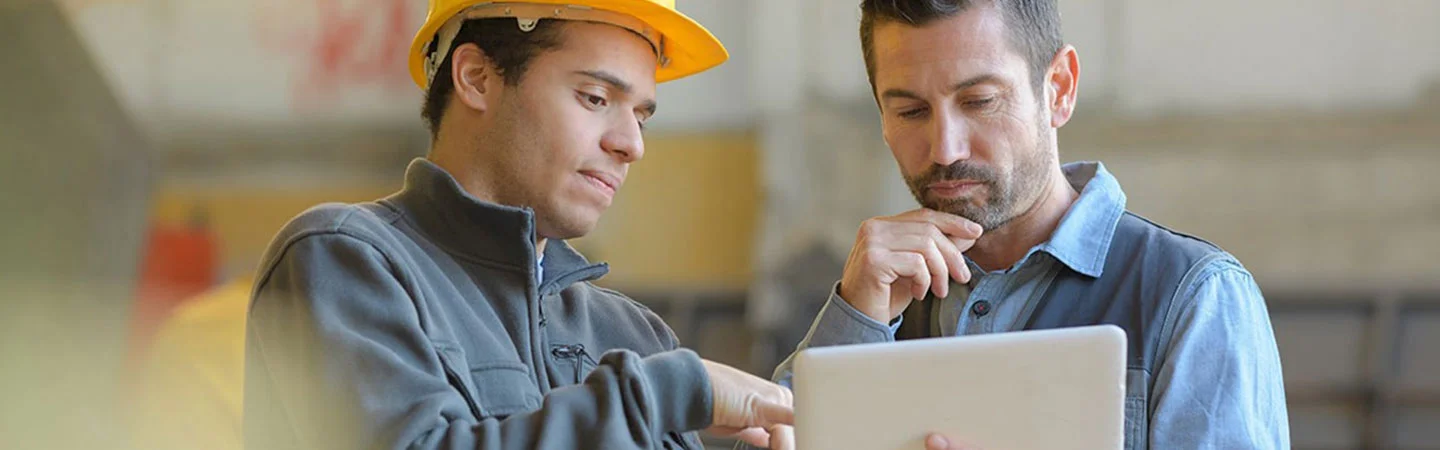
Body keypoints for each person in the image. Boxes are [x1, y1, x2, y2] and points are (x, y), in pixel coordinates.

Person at [244, 1, 794, 449]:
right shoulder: (345, 261)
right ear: (478, 78)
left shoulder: (631, 334)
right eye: (596, 98)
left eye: (642, 115)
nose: (631, 145)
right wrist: (659, 394)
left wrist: (855, 320)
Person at [771, 1, 1289, 449]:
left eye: (979, 102)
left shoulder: (1193, 299)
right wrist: (853, 323)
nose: (946, 148)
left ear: (1059, 89)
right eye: (910, 111)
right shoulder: (875, 301)